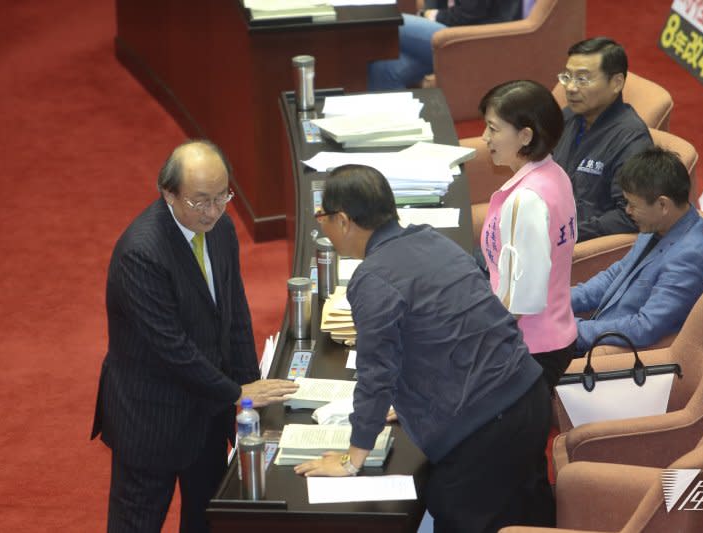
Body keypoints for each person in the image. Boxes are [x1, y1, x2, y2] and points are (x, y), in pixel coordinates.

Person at [294, 165, 555, 532]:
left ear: (342, 220)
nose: (321, 226)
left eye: (322, 217)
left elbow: (375, 374)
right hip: (529, 396)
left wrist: (352, 459)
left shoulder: (372, 279)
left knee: (457, 513)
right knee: (529, 517)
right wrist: (413, 400)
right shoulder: (432, 240)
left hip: (483, 431)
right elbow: (456, 327)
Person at [90, 140, 298, 533]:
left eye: (223, 196)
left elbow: (233, 315)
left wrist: (250, 387)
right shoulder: (142, 253)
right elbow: (172, 348)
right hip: (152, 418)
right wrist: (235, 392)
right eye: (201, 201)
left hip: (207, 412)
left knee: (207, 518)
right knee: (137, 522)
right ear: (168, 193)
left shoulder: (220, 229)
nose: (215, 210)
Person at [478, 80, 577, 390]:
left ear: (525, 135)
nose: (485, 138)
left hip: (528, 350)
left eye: (493, 129)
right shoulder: (555, 174)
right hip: (547, 338)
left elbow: (520, 301)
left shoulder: (527, 200)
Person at [571, 146, 703, 354]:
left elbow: (644, 328)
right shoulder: (658, 225)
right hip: (597, 331)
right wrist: (559, 303)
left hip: (611, 357)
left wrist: (572, 330)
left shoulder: (689, 258)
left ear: (663, 205)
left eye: (632, 205)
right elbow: (615, 275)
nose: (627, 211)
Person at [552, 36, 654, 241]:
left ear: (616, 83)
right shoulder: (568, 116)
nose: (570, 87)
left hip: (577, 247)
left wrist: (563, 235)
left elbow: (629, 215)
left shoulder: (632, 140)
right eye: (567, 77)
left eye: (582, 79)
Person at [368, 1, 522, 90]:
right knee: (384, 67)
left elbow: (467, 14)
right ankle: (396, 136)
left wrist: (429, 15)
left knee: (388, 22)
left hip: (477, 38)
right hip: (452, 31)